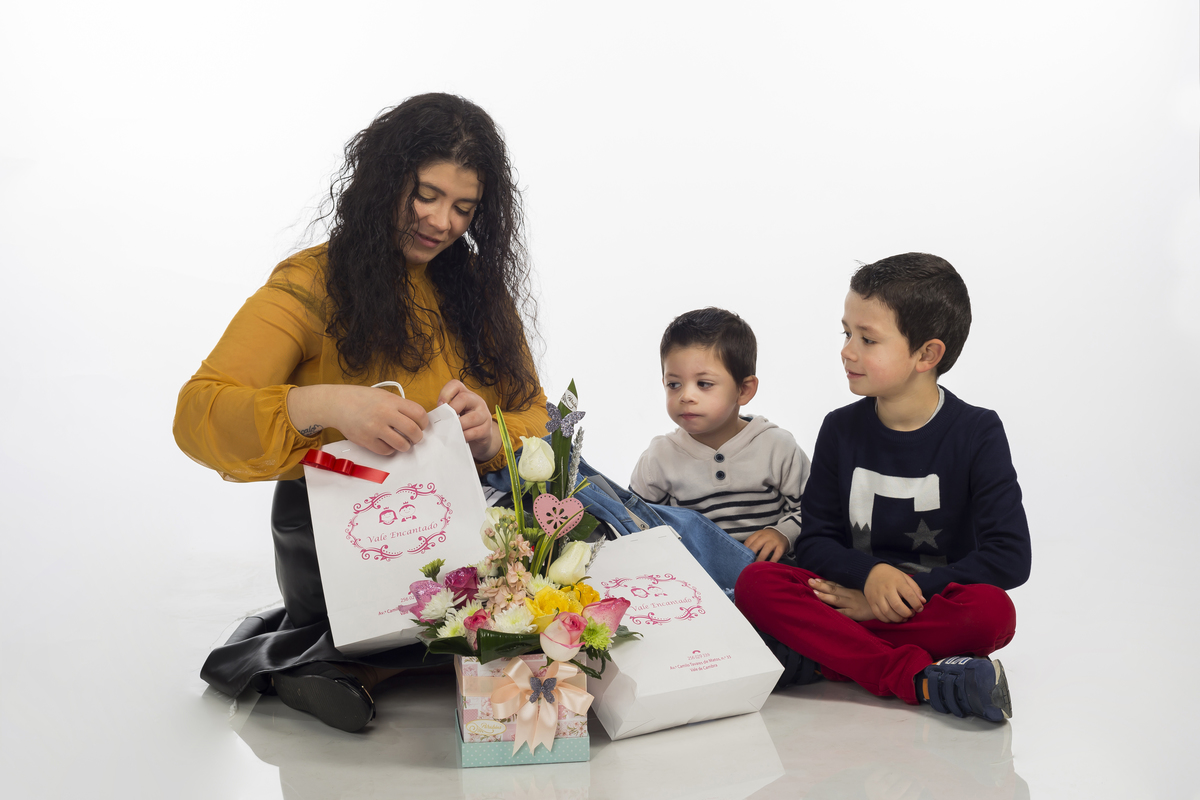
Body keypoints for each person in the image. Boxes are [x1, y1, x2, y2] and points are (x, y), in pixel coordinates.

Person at [173, 93, 550, 732]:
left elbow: (536, 417)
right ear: (383, 180)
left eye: (464, 208)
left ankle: (334, 663)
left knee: (566, 573)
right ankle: (349, 655)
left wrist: (491, 437)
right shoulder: (310, 282)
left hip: (460, 524)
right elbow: (199, 411)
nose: (441, 222)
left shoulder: (478, 291)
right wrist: (324, 404)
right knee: (515, 629)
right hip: (340, 532)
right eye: (425, 195)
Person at [735, 254, 1031, 722]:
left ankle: (823, 656)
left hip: (924, 603)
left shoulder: (978, 432)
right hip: (847, 593)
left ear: (926, 355)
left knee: (994, 613)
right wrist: (869, 579)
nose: (847, 350)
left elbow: (1010, 557)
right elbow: (816, 541)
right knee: (757, 583)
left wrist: (882, 605)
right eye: (846, 333)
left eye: (867, 339)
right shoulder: (839, 429)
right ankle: (918, 678)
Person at [630, 308, 811, 563]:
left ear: (744, 390)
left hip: (769, 573)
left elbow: (815, 511)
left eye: (703, 384)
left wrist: (782, 533)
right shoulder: (658, 459)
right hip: (697, 582)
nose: (686, 396)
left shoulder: (777, 447)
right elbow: (634, 524)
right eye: (674, 384)